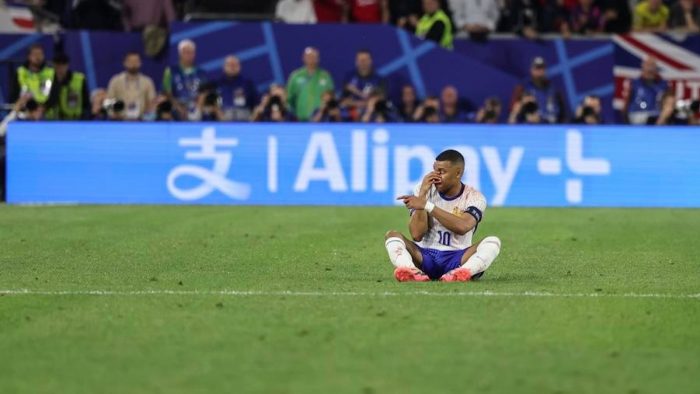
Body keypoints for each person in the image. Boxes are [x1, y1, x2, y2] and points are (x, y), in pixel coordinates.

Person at [385, 149, 501, 282]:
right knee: (392, 235)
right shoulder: (423, 189)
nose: (436, 176)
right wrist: (422, 195)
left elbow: (463, 226)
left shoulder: (475, 197)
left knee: (493, 241)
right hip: (424, 256)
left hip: (458, 257)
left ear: (458, 173)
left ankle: (462, 272)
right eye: (435, 170)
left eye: (442, 172)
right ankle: (412, 271)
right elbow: (417, 235)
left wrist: (427, 205)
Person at [511, 57, 566, 123]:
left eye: (541, 68)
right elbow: (513, 115)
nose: (539, 72)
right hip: (532, 129)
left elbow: (563, 115)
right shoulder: (522, 88)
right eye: (537, 68)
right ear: (531, 70)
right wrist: (523, 102)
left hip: (553, 129)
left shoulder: (555, 89)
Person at [286, 47, 335, 121]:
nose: (311, 59)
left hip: (321, 120)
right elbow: (288, 99)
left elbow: (331, 97)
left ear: (318, 59)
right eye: (308, 56)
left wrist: (322, 111)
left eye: (313, 57)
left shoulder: (325, 76)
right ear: (303, 58)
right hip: (300, 121)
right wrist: (294, 116)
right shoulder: (295, 76)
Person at [162, 39, 207, 118]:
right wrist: (178, 107)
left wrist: (197, 109)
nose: (189, 55)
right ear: (180, 54)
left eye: (191, 53)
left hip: (195, 108)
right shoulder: (170, 71)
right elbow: (167, 92)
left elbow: (203, 93)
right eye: (186, 52)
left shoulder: (201, 73)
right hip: (176, 106)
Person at [107, 52, 157, 120]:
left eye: (136, 61)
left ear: (140, 63)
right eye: (130, 61)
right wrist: (116, 118)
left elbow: (152, 104)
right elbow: (109, 103)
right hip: (120, 122)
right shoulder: (115, 81)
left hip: (141, 122)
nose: (133, 64)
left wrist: (146, 118)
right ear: (124, 63)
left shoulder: (147, 82)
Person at [624, 57, 669, 125]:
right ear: (643, 66)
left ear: (656, 67)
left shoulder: (663, 84)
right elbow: (626, 103)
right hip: (637, 115)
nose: (650, 68)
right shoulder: (634, 83)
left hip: (656, 117)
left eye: (652, 65)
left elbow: (668, 103)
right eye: (648, 64)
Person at [45, 53, 90, 120]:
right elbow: (46, 102)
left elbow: (86, 103)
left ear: (67, 65)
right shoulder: (47, 80)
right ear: (54, 65)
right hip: (53, 122)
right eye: (58, 65)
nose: (60, 68)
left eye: (63, 64)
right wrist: (57, 84)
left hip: (74, 121)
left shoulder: (79, 79)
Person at [215, 55, 258, 121]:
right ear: (224, 67)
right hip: (223, 120)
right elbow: (214, 105)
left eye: (235, 65)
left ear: (239, 66)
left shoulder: (247, 83)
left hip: (244, 120)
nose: (232, 67)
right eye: (229, 65)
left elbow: (256, 104)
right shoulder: (217, 84)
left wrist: (251, 121)